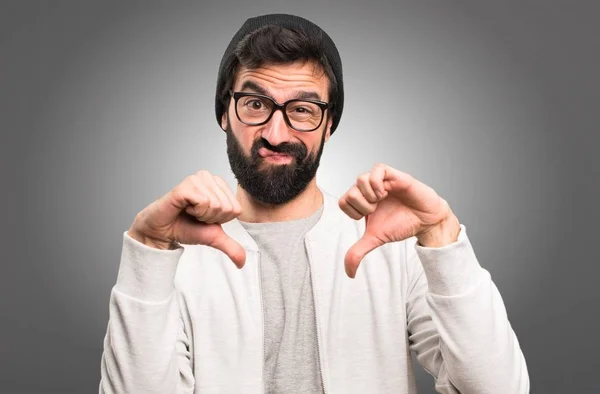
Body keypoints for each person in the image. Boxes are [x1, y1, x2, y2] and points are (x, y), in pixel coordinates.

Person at [99, 13, 529, 394]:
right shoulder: (175, 260)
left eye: (303, 109)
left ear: (329, 126)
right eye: (255, 104)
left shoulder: (391, 246)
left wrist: (441, 235)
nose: (277, 132)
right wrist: (149, 251)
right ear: (224, 114)